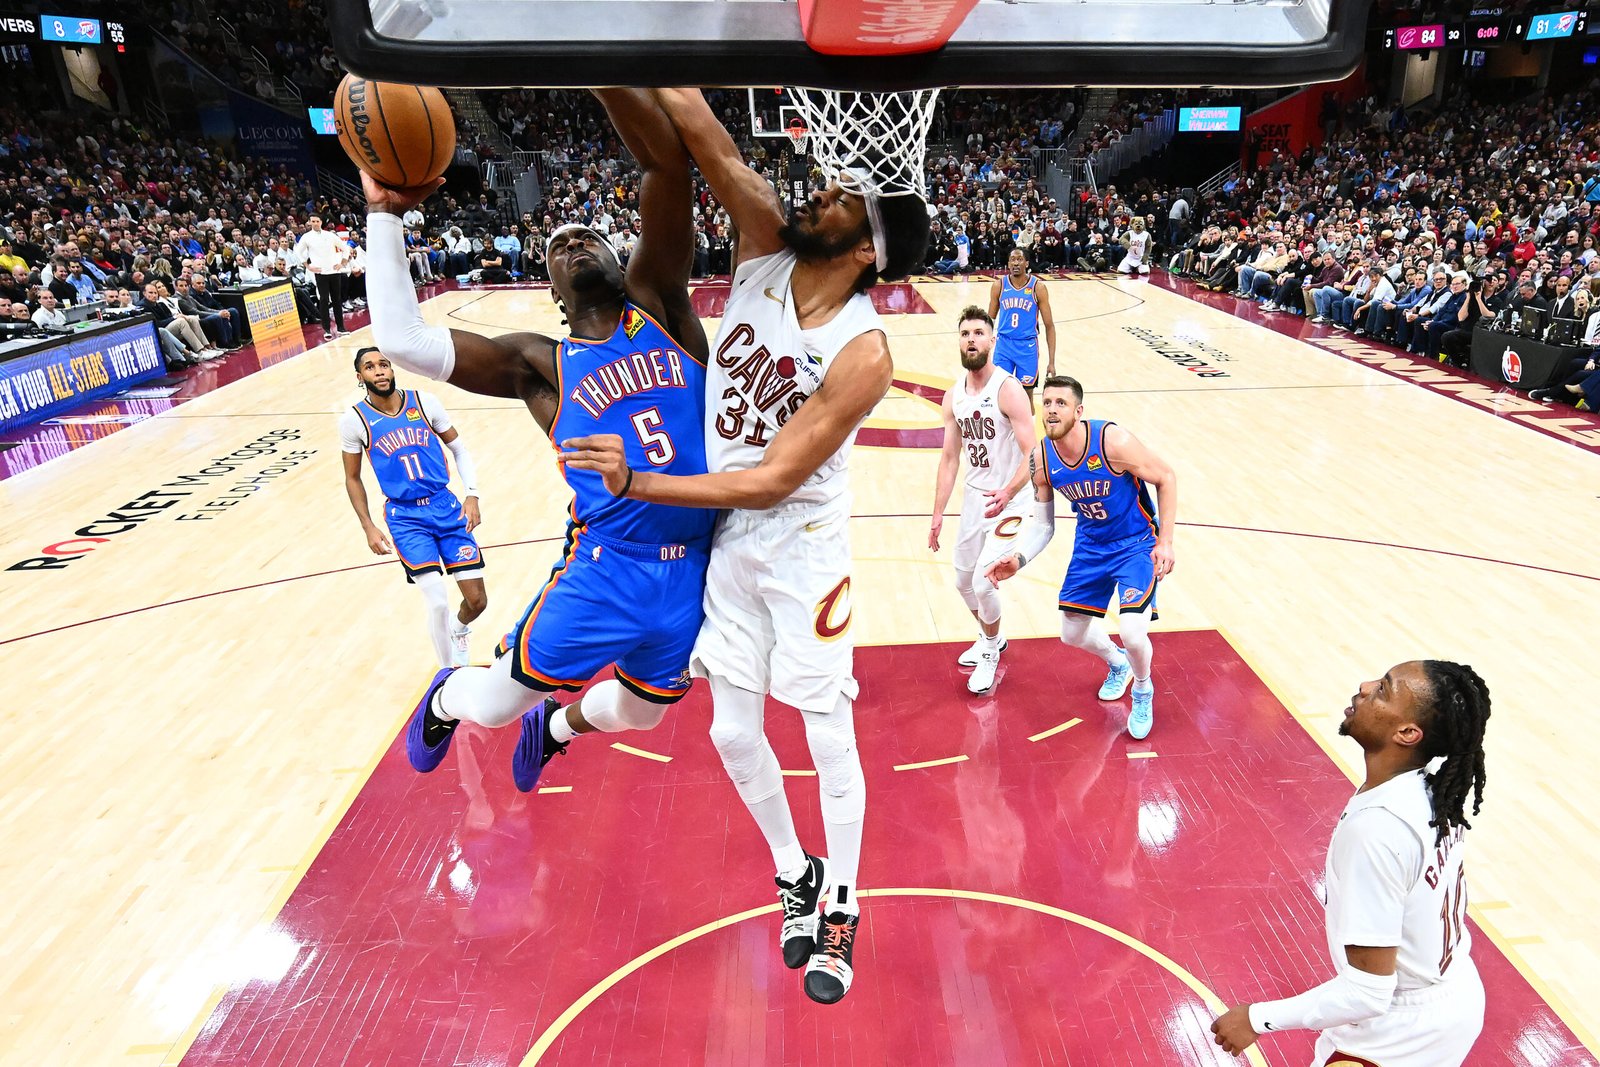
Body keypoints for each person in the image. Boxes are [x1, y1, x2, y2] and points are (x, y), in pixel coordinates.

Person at [560, 86, 930, 1006]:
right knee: (730, 727)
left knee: (821, 723)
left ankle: (843, 897)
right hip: (732, 533)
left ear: (865, 248)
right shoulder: (765, 242)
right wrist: (615, 53)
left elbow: (771, 479)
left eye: (843, 200)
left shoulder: (864, 352)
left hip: (801, 543)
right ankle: (793, 869)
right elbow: (699, 128)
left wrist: (635, 482)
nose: (819, 194)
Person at [363, 91, 715, 801]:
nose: (575, 243)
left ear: (624, 261)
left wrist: (606, 74)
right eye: (558, 247)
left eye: (590, 238)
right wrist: (385, 216)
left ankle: (558, 730)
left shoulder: (661, 308)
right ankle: (443, 698)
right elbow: (404, 341)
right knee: (493, 705)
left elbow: (667, 173)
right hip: (608, 567)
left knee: (645, 713)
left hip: (695, 566)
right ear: (553, 290)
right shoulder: (541, 365)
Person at [1211, 661, 1491, 1067]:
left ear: (1408, 734)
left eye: (1383, 690)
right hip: (1453, 993)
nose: (1365, 686)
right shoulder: (1432, 785)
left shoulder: (1377, 829)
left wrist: (1256, 1018)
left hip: (1400, 1031)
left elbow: (1367, 992)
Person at [985, 376, 1176, 740]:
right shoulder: (1041, 457)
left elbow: (1166, 477)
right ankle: (1117, 663)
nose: (1052, 410)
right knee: (1071, 633)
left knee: (1133, 631)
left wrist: (1165, 542)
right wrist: (1019, 559)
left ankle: (1142, 689)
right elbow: (1043, 526)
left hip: (1135, 542)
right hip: (1091, 546)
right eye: (1048, 403)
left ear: (1079, 411)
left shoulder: (1111, 441)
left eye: (1060, 403)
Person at [339, 347, 488, 668]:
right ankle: (448, 673)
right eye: (370, 367)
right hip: (405, 517)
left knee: (477, 602)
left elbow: (459, 449)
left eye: (383, 365)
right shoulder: (354, 420)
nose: (379, 371)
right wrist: (368, 526)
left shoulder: (424, 402)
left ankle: (459, 628)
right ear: (360, 377)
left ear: (392, 370)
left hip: (446, 507)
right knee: (436, 600)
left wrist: (472, 493)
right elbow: (352, 478)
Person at [928, 306, 1037, 695]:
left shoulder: (1008, 390)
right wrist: (938, 512)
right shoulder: (953, 396)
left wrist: (1008, 490)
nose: (971, 339)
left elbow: (1034, 453)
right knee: (962, 580)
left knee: (984, 580)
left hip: (1011, 500)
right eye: (964, 333)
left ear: (993, 340)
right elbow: (950, 458)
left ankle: (990, 649)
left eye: (978, 332)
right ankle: (991, 635)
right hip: (976, 498)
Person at [988, 247, 1057, 401]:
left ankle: (1028, 425)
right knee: (998, 394)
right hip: (1004, 345)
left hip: (1027, 348)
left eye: (1019, 259)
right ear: (1008, 263)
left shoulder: (1038, 287)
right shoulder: (999, 286)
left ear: (1026, 263)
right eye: (1012, 259)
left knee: (1026, 397)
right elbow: (989, 321)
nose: (1015, 263)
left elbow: (1049, 326)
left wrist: (1051, 361)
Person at [295, 214, 350, 338]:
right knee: (324, 300)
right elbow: (298, 252)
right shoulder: (306, 237)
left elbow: (345, 248)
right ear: (309, 222)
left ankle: (341, 327)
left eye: (317, 221)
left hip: (334, 272)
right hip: (320, 273)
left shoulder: (330, 235)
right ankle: (327, 330)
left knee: (337, 300)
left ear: (321, 222)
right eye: (312, 221)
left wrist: (343, 263)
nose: (315, 223)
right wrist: (308, 266)